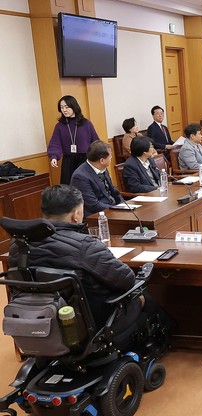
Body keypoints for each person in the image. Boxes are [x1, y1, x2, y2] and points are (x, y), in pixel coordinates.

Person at [8, 185, 171, 343]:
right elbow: (127, 280)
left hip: (37, 318)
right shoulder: (84, 245)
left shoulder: (18, 246)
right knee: (141, 295)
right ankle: (171, 336)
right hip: (93, 323)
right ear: (76, 215)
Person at [47, 95, 101, 185]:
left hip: (85, 160)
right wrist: (53, 156)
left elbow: (95, 142)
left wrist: (100, 156)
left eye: (66, 107)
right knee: (69, 187)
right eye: (61, 107)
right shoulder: (59, 126)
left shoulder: (86, 123)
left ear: (74, 107)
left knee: (85, 186)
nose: (64, 110)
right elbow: (55, 143)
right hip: (68, 161)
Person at [69, 141, 122, 218]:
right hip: (96, 215)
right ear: (102, 161)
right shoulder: (80, 176)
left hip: (111, 208)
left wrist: (124, 205)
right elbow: (93, 204)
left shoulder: (103, 168)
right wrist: (116, 209)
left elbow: (114, 191)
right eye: (110, 156)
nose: (111, 157)